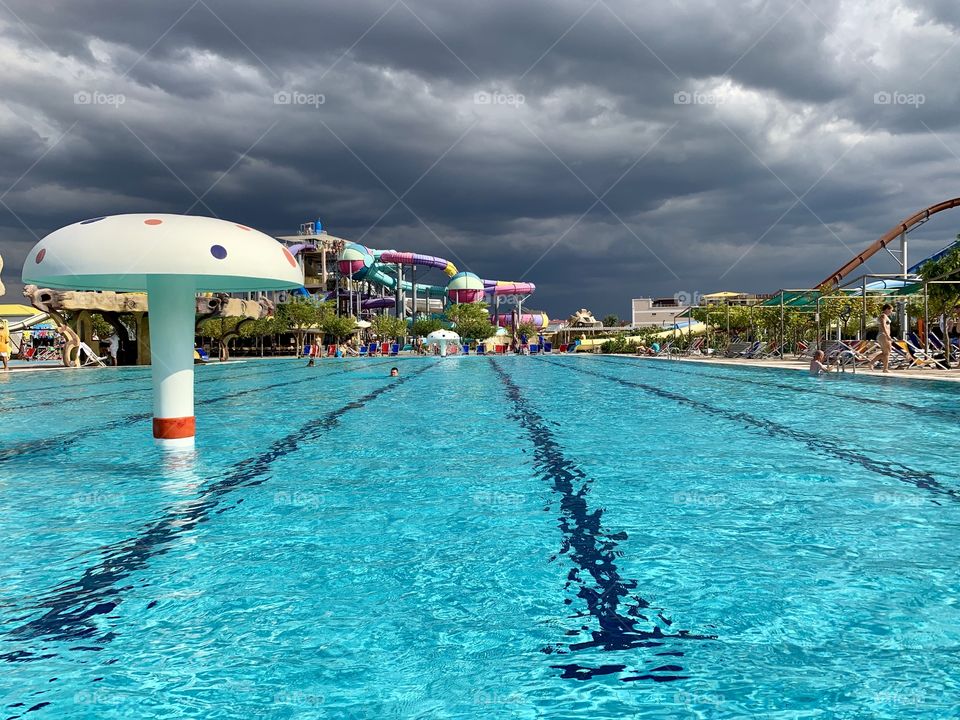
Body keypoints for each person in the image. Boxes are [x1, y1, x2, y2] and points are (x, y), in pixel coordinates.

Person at [878, 303, 893, 373]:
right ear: (887, 309)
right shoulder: (883, 316)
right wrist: (887, 335)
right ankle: (885, 369)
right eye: (891, 310)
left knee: (886, 352)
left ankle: (871, 363)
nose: (891, 312)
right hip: (883, 335)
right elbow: (883, 325)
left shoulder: (884, 316)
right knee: (887, 352)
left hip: (883, 335)